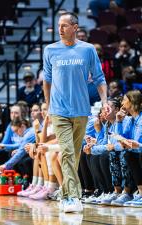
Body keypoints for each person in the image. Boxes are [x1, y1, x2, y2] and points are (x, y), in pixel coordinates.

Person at [43, 12, 109, 213]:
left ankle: (65, 192)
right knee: (68, 152)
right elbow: (47, 80)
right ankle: (73, 197)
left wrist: (105, 101)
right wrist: (48, 106)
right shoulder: (50, 50)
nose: (60, 29)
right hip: (59, 110)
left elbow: (99, 78)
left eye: (64, 25)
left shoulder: (88, 50)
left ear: (75, 27)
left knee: (74, 155)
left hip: (81, 110)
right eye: (59, 26)